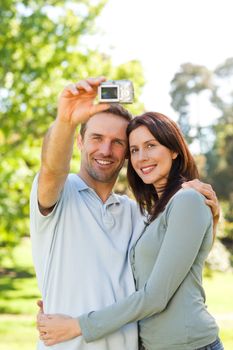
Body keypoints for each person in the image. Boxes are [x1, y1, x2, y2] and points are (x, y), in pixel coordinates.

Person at [32, 77, 220, 350]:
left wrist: (210, 218)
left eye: (119, 143)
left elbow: (173, 269)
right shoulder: (60, 195)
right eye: (97, 138)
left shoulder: (137, 212)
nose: (106, 150)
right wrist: (65, 120)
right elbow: (52, 168)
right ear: (80, 142)